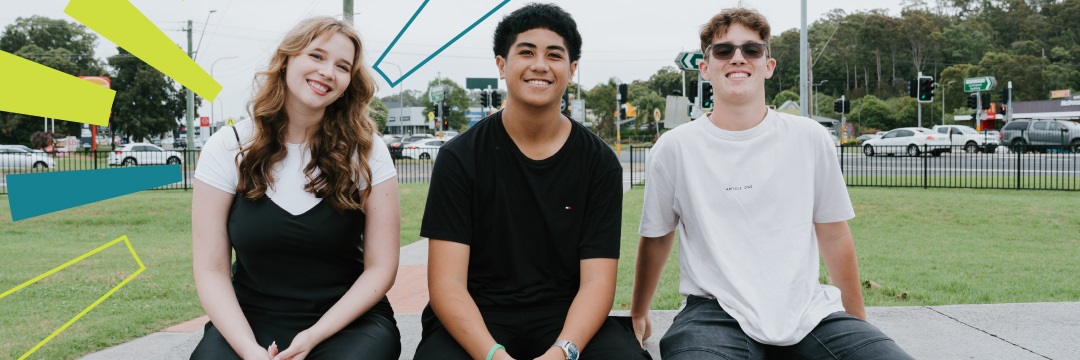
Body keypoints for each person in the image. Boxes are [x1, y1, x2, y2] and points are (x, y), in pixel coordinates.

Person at [630, 7, 914, 360]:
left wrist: (858, 325)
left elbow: (834, 233)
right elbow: (656, 238)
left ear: (768, 65)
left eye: (751, 50)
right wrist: (639, 312)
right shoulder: (674, 148)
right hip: (713, 314)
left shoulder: (809, 137)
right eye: (723, 50)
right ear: (705, 68)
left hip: (808, 311)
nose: (738, 58)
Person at [413, 3, 650, 360]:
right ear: (501, 65)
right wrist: (492, 354)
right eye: (526, 52)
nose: (540, 65)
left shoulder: (599, 163)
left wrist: (563, 351)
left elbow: (597, 283)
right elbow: (447, 285)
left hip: (566, 317)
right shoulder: (459, 158)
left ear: (571, 71)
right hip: (479, 317)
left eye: (554, 55)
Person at [189, 16, 401, 360]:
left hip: (346, 323)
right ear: (286, 59)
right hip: (248, 322)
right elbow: (211, 271)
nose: (328, 72)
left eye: (342, 66)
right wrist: (248, 349)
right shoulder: (227, 147)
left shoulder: (367, 151)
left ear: (349, 81)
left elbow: (381, 268)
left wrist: (313, 336)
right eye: (316, 56)